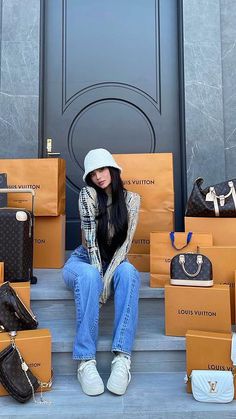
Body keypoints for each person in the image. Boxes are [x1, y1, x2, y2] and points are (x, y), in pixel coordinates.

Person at [63, 148, 141, 397]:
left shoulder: (132, 200)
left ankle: (122, 357)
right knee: (88, 276)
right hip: (84, 261)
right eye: (93, 173)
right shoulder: (87, 195)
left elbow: (124, 248)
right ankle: (85, 360)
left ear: (113, 170)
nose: (98, 176)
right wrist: (99, 278)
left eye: (102, 169)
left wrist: (107, 279)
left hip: (115, 263)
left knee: (129, 273)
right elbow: (91, 245)